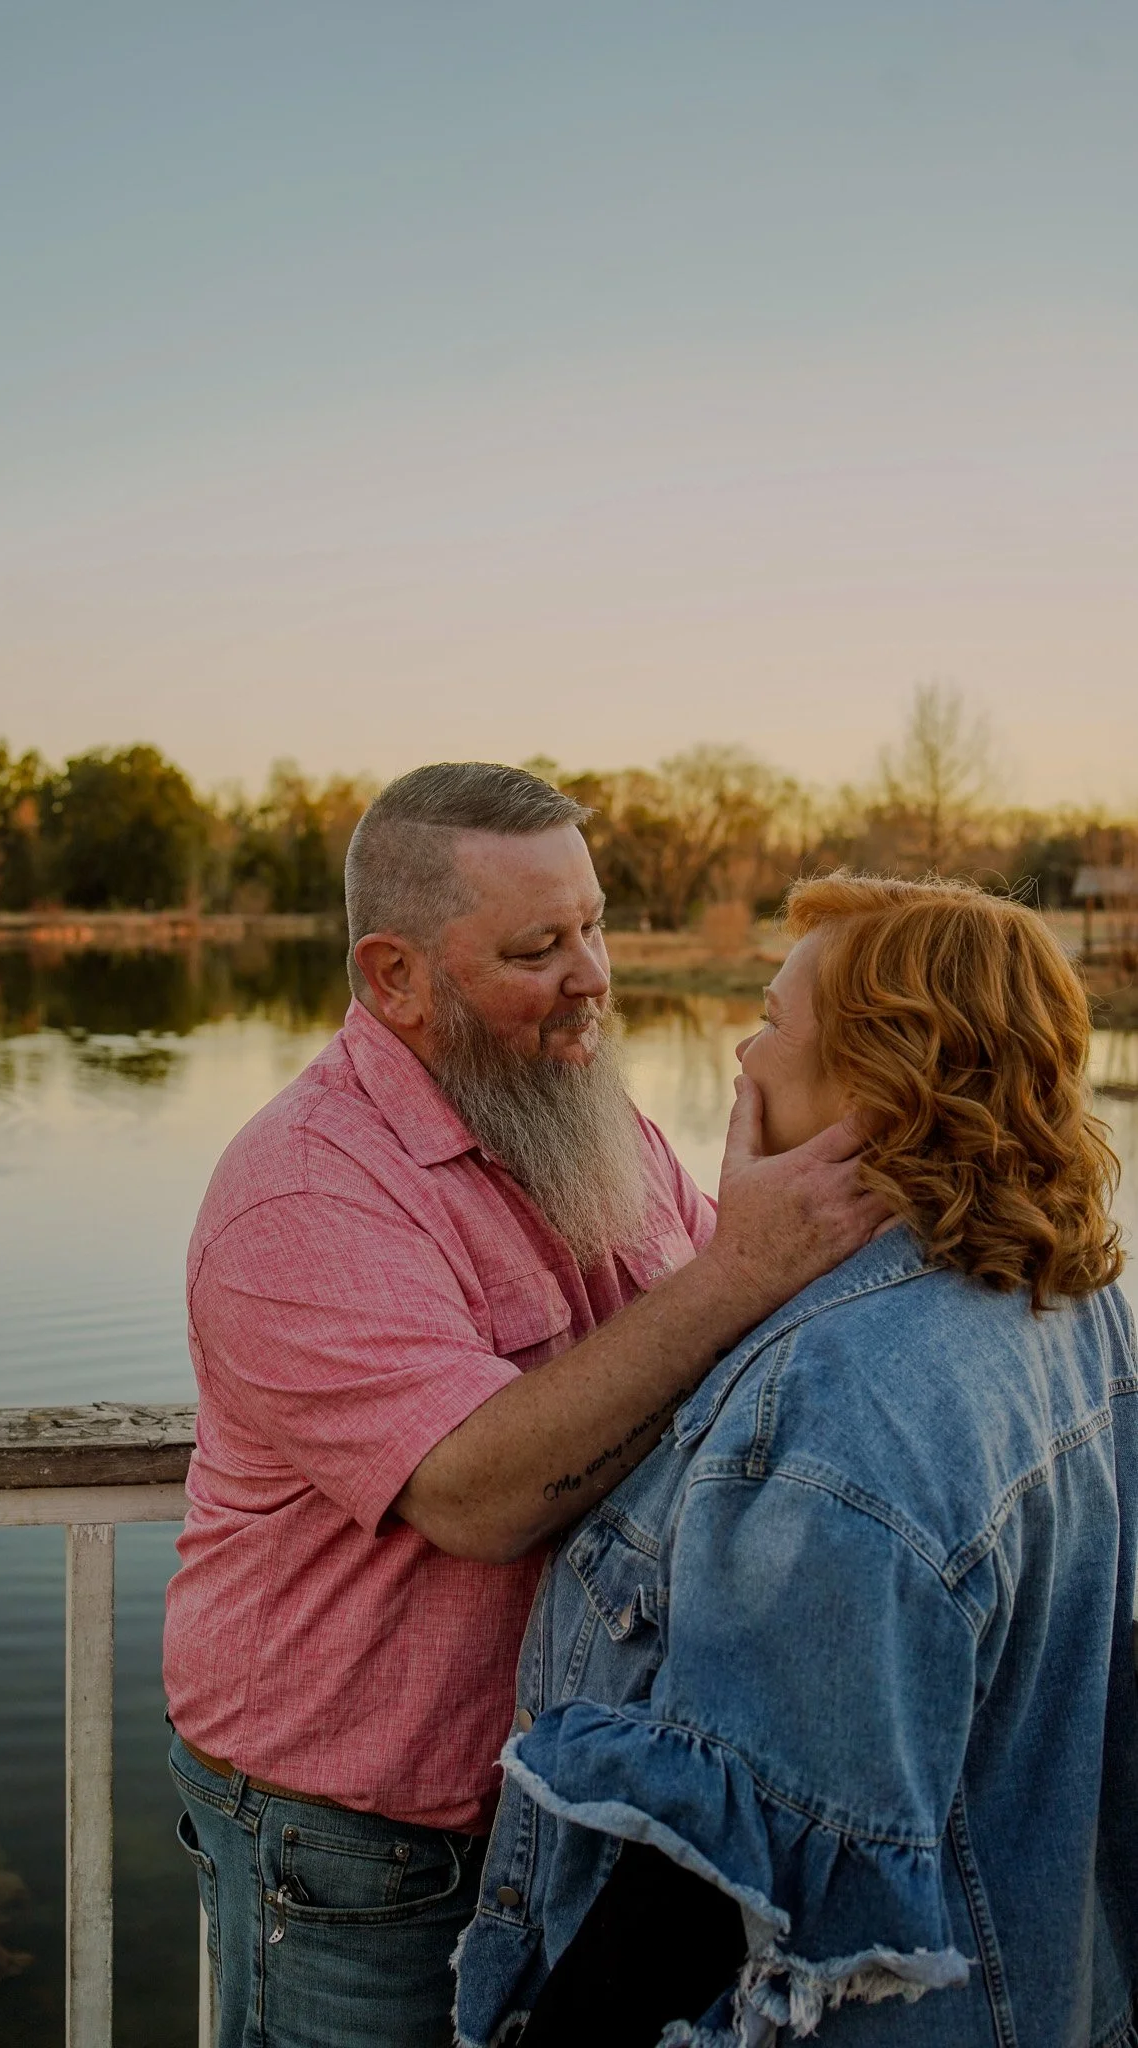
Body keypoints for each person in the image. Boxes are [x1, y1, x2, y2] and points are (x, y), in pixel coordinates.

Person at [162, 763, 884, 2048]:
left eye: (594, 925)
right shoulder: (303, 1193)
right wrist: (741, 1268)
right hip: (356, 1852)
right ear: (394, 976)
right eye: (537, 947)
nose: (592, 973)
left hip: (560, 1813)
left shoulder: (591, 1118)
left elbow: (741, 1329)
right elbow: (478, 1494)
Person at [454, 872, 1138, 2048]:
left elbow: (722, 1873)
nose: (743, 1048)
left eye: (773, 1019)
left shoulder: (842, 1400)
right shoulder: (1067, 1297)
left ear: (874, 1086)